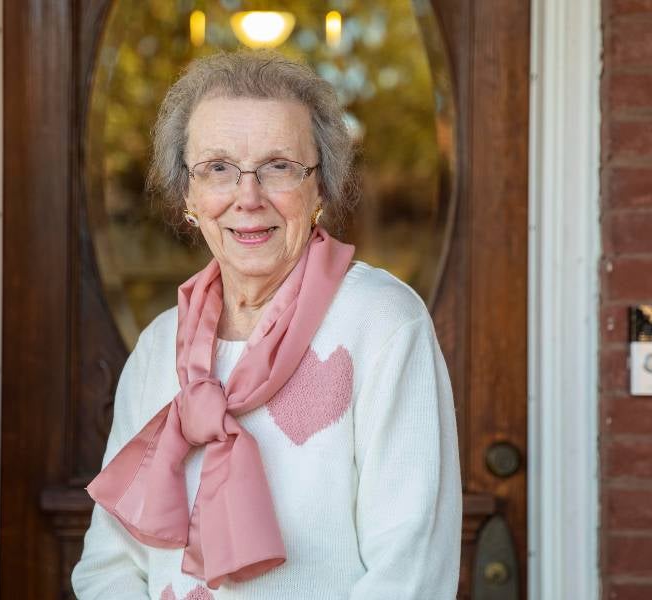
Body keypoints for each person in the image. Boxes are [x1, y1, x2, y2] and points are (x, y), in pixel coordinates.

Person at [72, 49, 461, 600]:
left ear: (320, 187)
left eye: (279, 166)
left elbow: (410, 574)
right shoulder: (161, 345)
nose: (248, 197)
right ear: (188, 194)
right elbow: (109, 566)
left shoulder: (382, 325)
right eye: (218, 168)